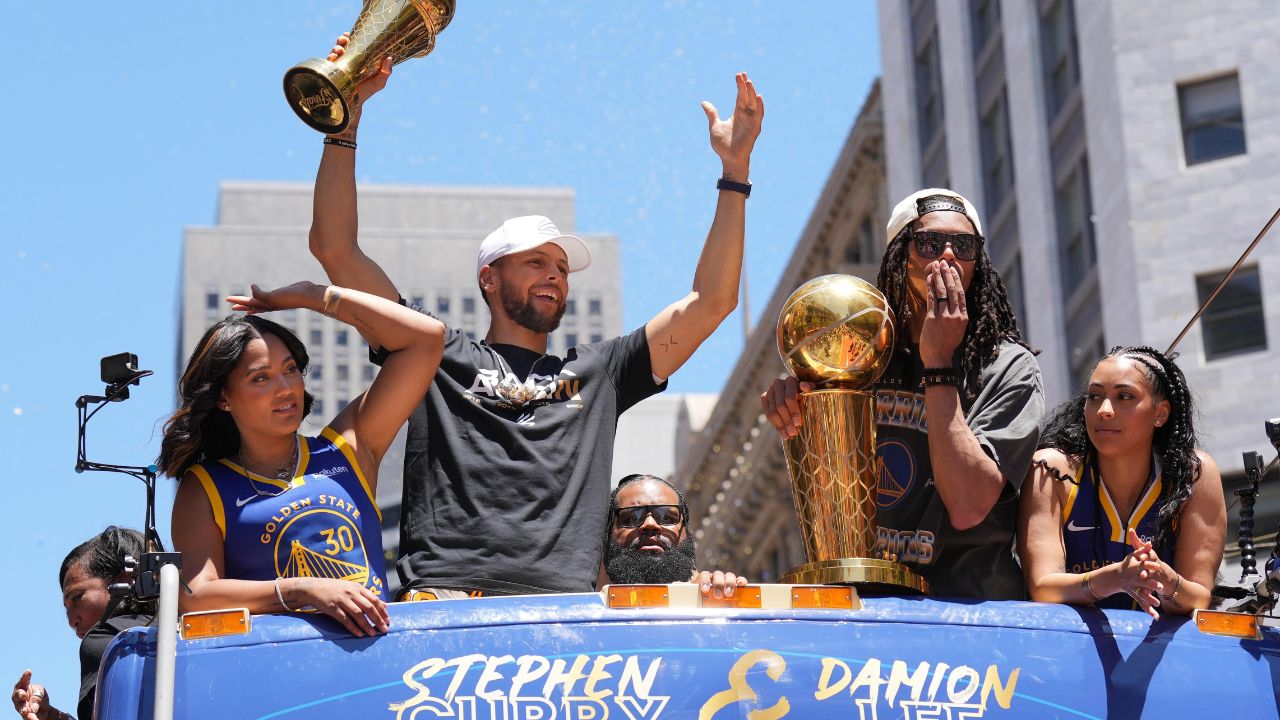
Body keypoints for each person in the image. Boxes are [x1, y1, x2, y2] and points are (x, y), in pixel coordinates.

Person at [308, 36, 764, 599]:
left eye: (562, 267)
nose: (554, 274)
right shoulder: (434, 353)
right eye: (535, 262)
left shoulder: (602, 371)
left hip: (562, 617)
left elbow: (712, 302)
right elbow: (335, 250)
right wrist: (344, 123)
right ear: (489, 279)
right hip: (447, 601)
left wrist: (735, 171)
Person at [761, 188, 1044, 599]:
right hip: (868, 606)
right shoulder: (856, 356)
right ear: (900, 255)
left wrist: (939, 363)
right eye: (930, 243)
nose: (946, 257)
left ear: (978, 262)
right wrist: (795, 400)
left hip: (968, 612)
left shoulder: (1007, 367)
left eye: (963, 246)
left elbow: (968, 506)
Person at [158, 281, 444, 636]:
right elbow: (196, 595)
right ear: (223, 398)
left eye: (290, 369)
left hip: (378, 664)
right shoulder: (204, 485)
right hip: (284, 673)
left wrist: (315, 297)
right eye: (261, 377)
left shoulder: (347, 448)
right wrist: (300, 589)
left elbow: (428, 338)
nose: (285, 388)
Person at [1017, 346, 1226, 618]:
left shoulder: (1194, 474)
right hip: (1068, 649)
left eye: (1124, 397)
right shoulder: (1052, 470)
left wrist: (1164, 579)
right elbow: (1043, 588)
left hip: (1157, 650)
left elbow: (1198, 597)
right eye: (1094, 397)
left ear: (1160, 413)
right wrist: (1115, 578)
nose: (1103, 410)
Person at [11, 526, 155, 720]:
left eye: (77, 598)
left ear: (125, 581)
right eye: (66, 609)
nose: (71, 621)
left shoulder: (106, 642)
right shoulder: (189, 632)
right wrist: (53, 716)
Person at [604, 474, 747, 597]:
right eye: (631, 518)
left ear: (687, 533)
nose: (650, 524)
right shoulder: (588, 607)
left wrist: (718, 596)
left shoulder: (712, 599)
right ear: (608, 535)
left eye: (667, 517)